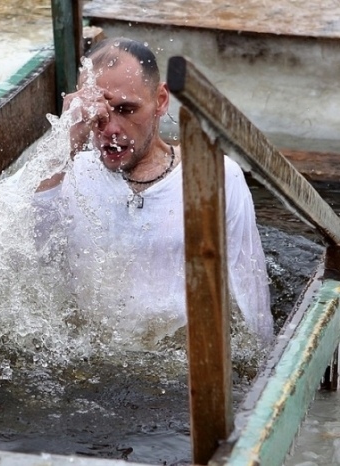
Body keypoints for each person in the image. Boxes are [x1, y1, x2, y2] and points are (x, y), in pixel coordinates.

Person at [31, 37, 274, 351]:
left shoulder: (214, 176)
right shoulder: (67, 172)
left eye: (126, 109)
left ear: (160, 100)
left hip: (176, 363)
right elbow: (34, 258)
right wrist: (65, 142)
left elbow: (249, 293)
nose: (111, 129)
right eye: (98, 114)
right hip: (93, 358)